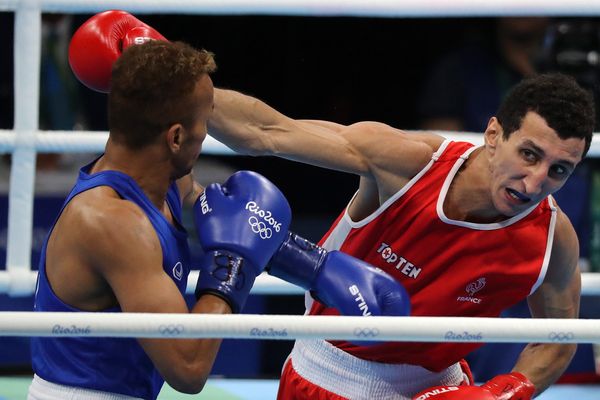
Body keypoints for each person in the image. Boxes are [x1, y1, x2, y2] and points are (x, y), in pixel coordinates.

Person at [30, 11, 410, 400]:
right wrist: (230, 269)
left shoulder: (162, 179)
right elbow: (188, 366)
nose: (209, 132)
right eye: (206, 122)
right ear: (176, 137)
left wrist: (316, 266)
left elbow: (230, 218)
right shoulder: (113, 222)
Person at [207, 71, 595, 398]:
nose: (535, 182)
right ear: (493, 134)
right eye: (529, 154)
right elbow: (264, 131)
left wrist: (505, 391)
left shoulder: (552, 238)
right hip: (329, 379)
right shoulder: (410, 166)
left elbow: (557, 339)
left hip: (444, 386)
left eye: (559, 170)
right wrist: (168, 71)